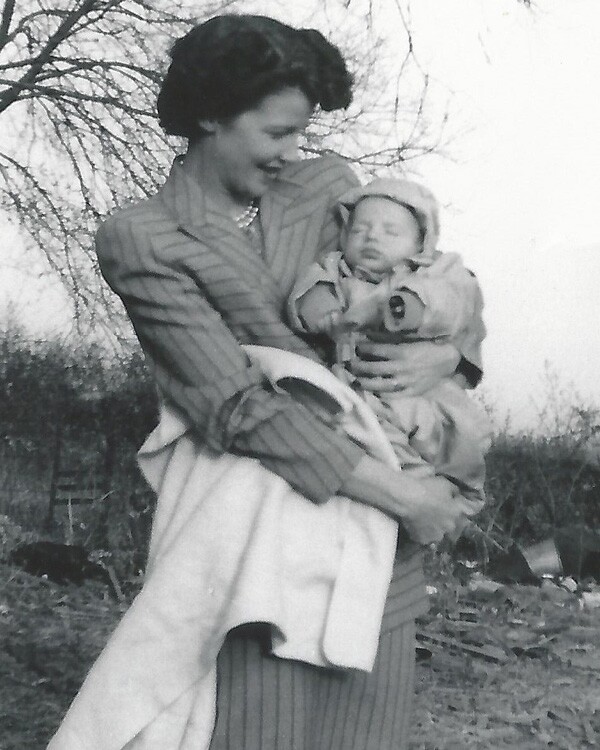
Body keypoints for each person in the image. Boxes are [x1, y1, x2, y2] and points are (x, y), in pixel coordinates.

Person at [47, 15, 479, 750]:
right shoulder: (143, 236)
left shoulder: (331, 193)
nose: (292, 153)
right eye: (277, 132)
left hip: (377, 548)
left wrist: (449, 360)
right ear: (211, 113)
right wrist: (403, 493)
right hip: (261, 539)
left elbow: (433, 291)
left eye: (300, 133)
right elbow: (233, 403)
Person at [288, 177, 491, 507]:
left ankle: (461, 494)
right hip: (358, 384)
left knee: (462, 437)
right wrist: (321, 311)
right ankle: (412, 490)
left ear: (420, 242)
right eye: (359, 229)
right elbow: (309, 290)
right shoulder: (338, 270)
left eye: (391, 231)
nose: (372, 237)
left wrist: (410, 305)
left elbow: (453, 298)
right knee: (374, 440)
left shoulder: (434, 271)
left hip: (425, 390)